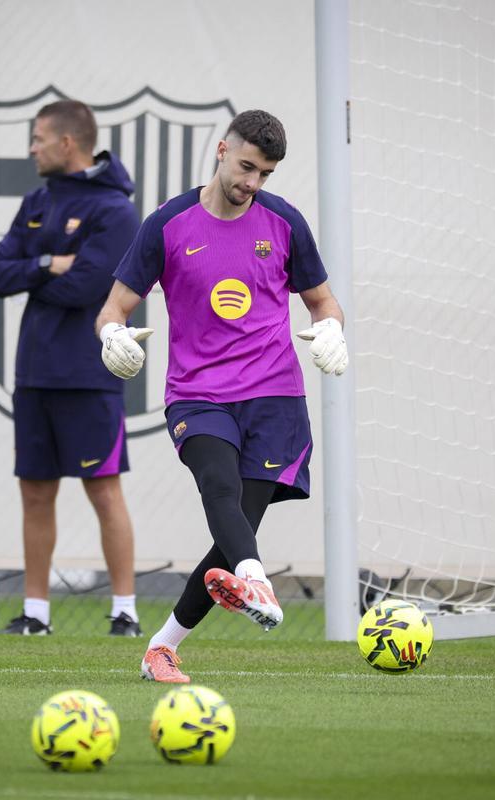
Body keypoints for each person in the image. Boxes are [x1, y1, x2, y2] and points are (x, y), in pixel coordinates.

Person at [95, 109, 349, 681]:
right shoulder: (167, 224)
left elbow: (323, 301)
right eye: (246, 167)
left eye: (265, 174)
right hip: (198, 394)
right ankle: (256, 581)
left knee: (236, 531)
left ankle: (161, 647)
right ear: (221, 151)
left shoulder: (284, 222)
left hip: (274, 396)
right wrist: (111, 335)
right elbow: (113, 308)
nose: (252, 183)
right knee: (219, 487)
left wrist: (332, 327)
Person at [0, 100, 143, 636]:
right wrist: (49, 262)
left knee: (103, 489)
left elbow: (89, 288)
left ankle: (124, 612)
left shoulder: (116, 211)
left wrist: (39, 274)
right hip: (34, 374)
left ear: (67, 144)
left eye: (37, 139)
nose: (31, 149)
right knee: (34, 492)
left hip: (88, 374)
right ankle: (35, 614)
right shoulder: (36, 200)